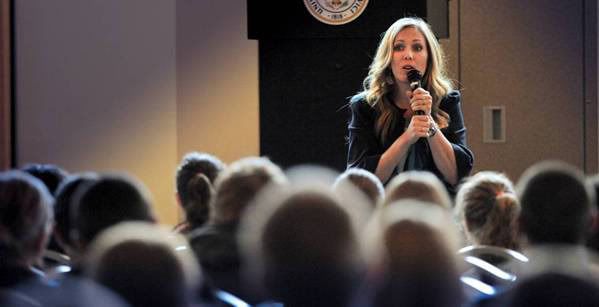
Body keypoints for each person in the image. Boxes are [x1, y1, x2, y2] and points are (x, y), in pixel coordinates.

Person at [346, 17, 473, 194]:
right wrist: (408, 136)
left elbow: (455, 175)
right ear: (388, 58)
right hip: (383, 211)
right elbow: (360, 179)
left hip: (437, 209)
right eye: (399, 47)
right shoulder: (365, 106)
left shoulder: (447, 101)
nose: (408, 55)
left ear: (429, 58)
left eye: (417, 47)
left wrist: (430, 124)